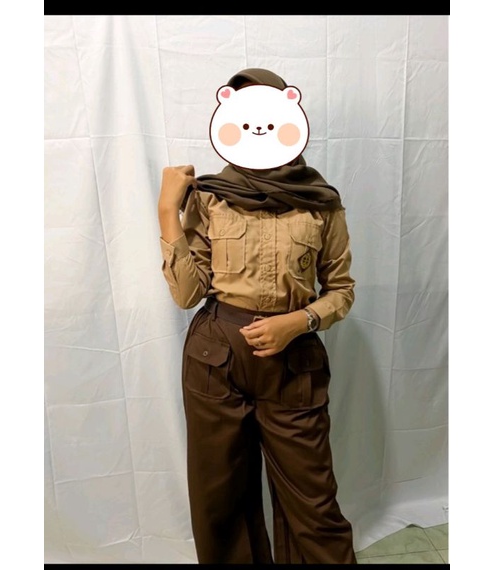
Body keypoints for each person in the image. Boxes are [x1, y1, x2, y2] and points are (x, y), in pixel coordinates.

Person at [158, 68, 357, 564]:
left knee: (314, 504)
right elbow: (187, 294)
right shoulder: (209, 197)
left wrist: (299, 322)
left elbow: (341, 291)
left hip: (294, 362)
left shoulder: (321, 203)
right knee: (220, 499)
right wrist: (167, 214)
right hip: (215, 358)